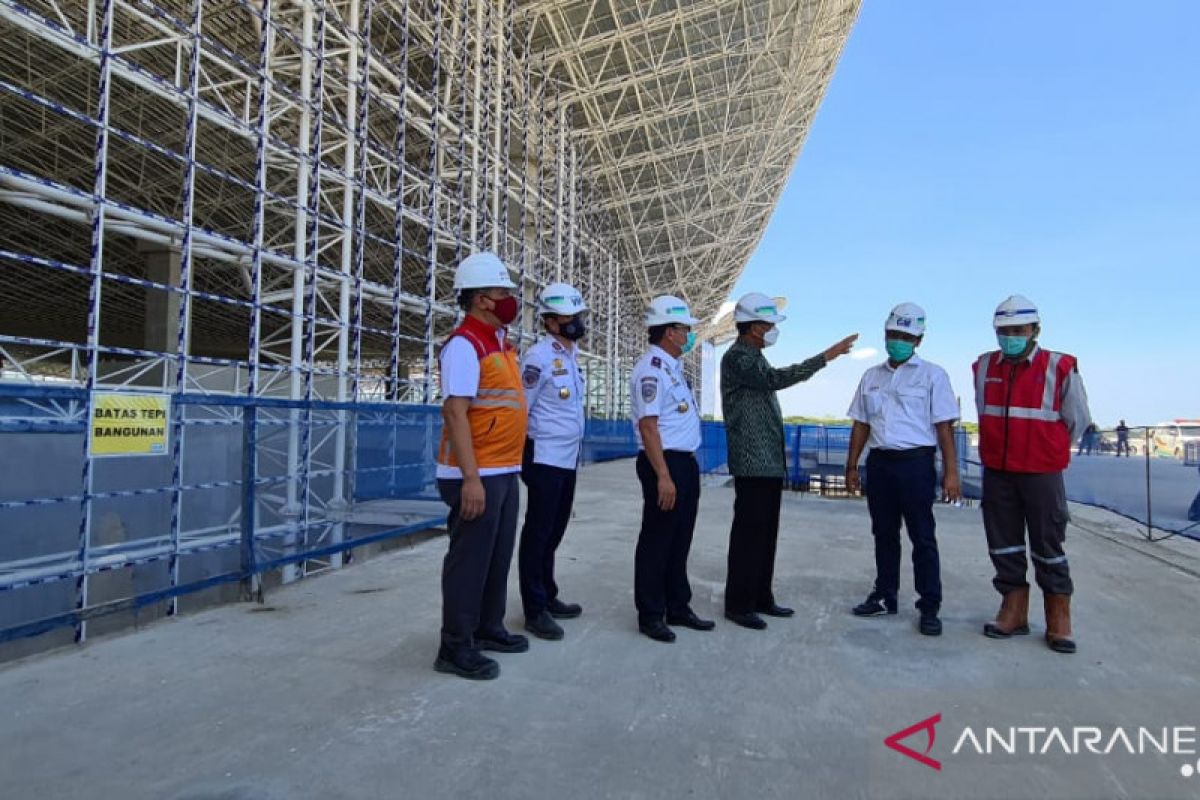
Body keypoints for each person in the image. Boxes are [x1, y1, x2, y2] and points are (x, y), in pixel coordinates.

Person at [720, 292, 857, 630]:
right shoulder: (739, 357)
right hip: (752, 463)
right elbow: (777, 380)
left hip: (767, 462)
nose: (771, 330)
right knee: (749, 536)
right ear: (752, 327)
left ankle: (760, 596)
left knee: (766, 535)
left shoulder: (754, 355)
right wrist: (826, 356)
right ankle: (739, 603)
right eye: (767, 324)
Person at [974, 294, 1091, 654]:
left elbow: (1078, 421)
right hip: (998, 472)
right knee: (1003, 542)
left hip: (1041, 473)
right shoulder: (983, 366)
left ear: (1034, 330)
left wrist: (1046, 450)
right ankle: (1013, 610)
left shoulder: (1059, 367)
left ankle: (1059, 618)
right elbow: (983, 411)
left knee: (1048, 544)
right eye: (1003, 330)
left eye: (1018, 330)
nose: (1010, 336)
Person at [433, 251, 529, 680]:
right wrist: (471, 479)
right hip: (475, 474)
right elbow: (456, 413)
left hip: (503, 469)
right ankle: (455, 646)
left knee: (496, 557)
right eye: (502, 291)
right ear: (481, 300)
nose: (510, 299)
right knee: (469, 562)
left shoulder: (500, 345)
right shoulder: (464, 345)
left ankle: (489, 627)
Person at [845, 303, 961, 637]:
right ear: (885, 334)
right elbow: (861, 423)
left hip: (916, 464)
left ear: (918, 340)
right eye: (893, 334)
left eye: (905, 336)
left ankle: (929, 605)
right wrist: (852, 465)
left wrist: (951, 472)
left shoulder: (933, 375)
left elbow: (944, 428)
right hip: (880, 464)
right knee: (883, 534)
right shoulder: (871, 377)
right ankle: (884, 595)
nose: (898, 340)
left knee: (922, 537)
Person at [629, 295, 714, 642]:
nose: (689, 334)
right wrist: (663, 475)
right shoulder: (650, 369)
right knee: (658, 539)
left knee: (680, 539)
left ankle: (678, 605)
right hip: (663, 463)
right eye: (684, 329)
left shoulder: (672, 369)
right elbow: (649, 427)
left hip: (684, 463)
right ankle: (651, 613)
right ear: (668, 332)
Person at [517, 282, 588, 641]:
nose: (576, 322)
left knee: (556, 530)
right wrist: (522, 458)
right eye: (568, 317)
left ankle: (548, 593)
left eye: (578, 316)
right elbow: (521, 409)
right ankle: (534, 608)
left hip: (566, 459)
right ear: (549, 322)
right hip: (543, 456)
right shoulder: (538, 358)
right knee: (539, 532)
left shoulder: (571, 357)